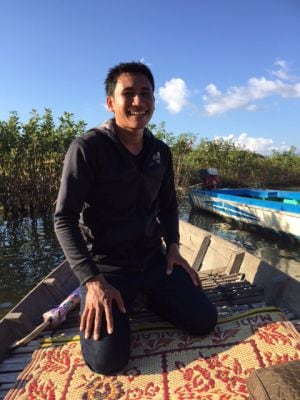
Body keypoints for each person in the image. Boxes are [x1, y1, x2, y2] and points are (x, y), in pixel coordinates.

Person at [54, 61, 217, 375]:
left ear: (154, 101)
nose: (139, 102)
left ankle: (150, 296)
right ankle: (97, 298)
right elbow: (64, 219)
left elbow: (169, 206)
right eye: (128, 93)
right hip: (107, 269)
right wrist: (92, 280)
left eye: (146, 93)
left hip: (151, 260)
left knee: (203, 320)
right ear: (110, 102)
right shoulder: (87, 149)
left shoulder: (160, 152)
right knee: (107, 361)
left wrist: (173, 248)